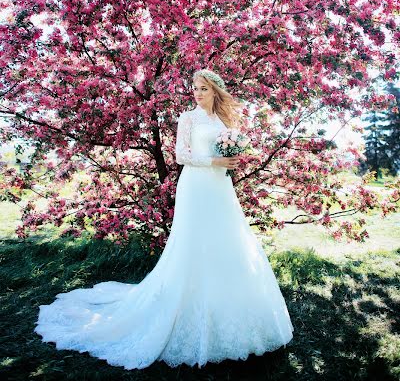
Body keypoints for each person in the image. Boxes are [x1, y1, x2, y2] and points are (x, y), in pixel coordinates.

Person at [34, 68, 294, 369]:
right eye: (194, 88)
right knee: (194, 244)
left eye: (204, 88)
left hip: (219, 186)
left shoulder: (222, 120)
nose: (197, 93)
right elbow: (181, 156)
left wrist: (230, 159)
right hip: (196, 186)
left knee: (226, 240)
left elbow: (224, 150)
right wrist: (216, 160)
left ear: (215, 91)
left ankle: (227, 310)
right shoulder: (188, 118)